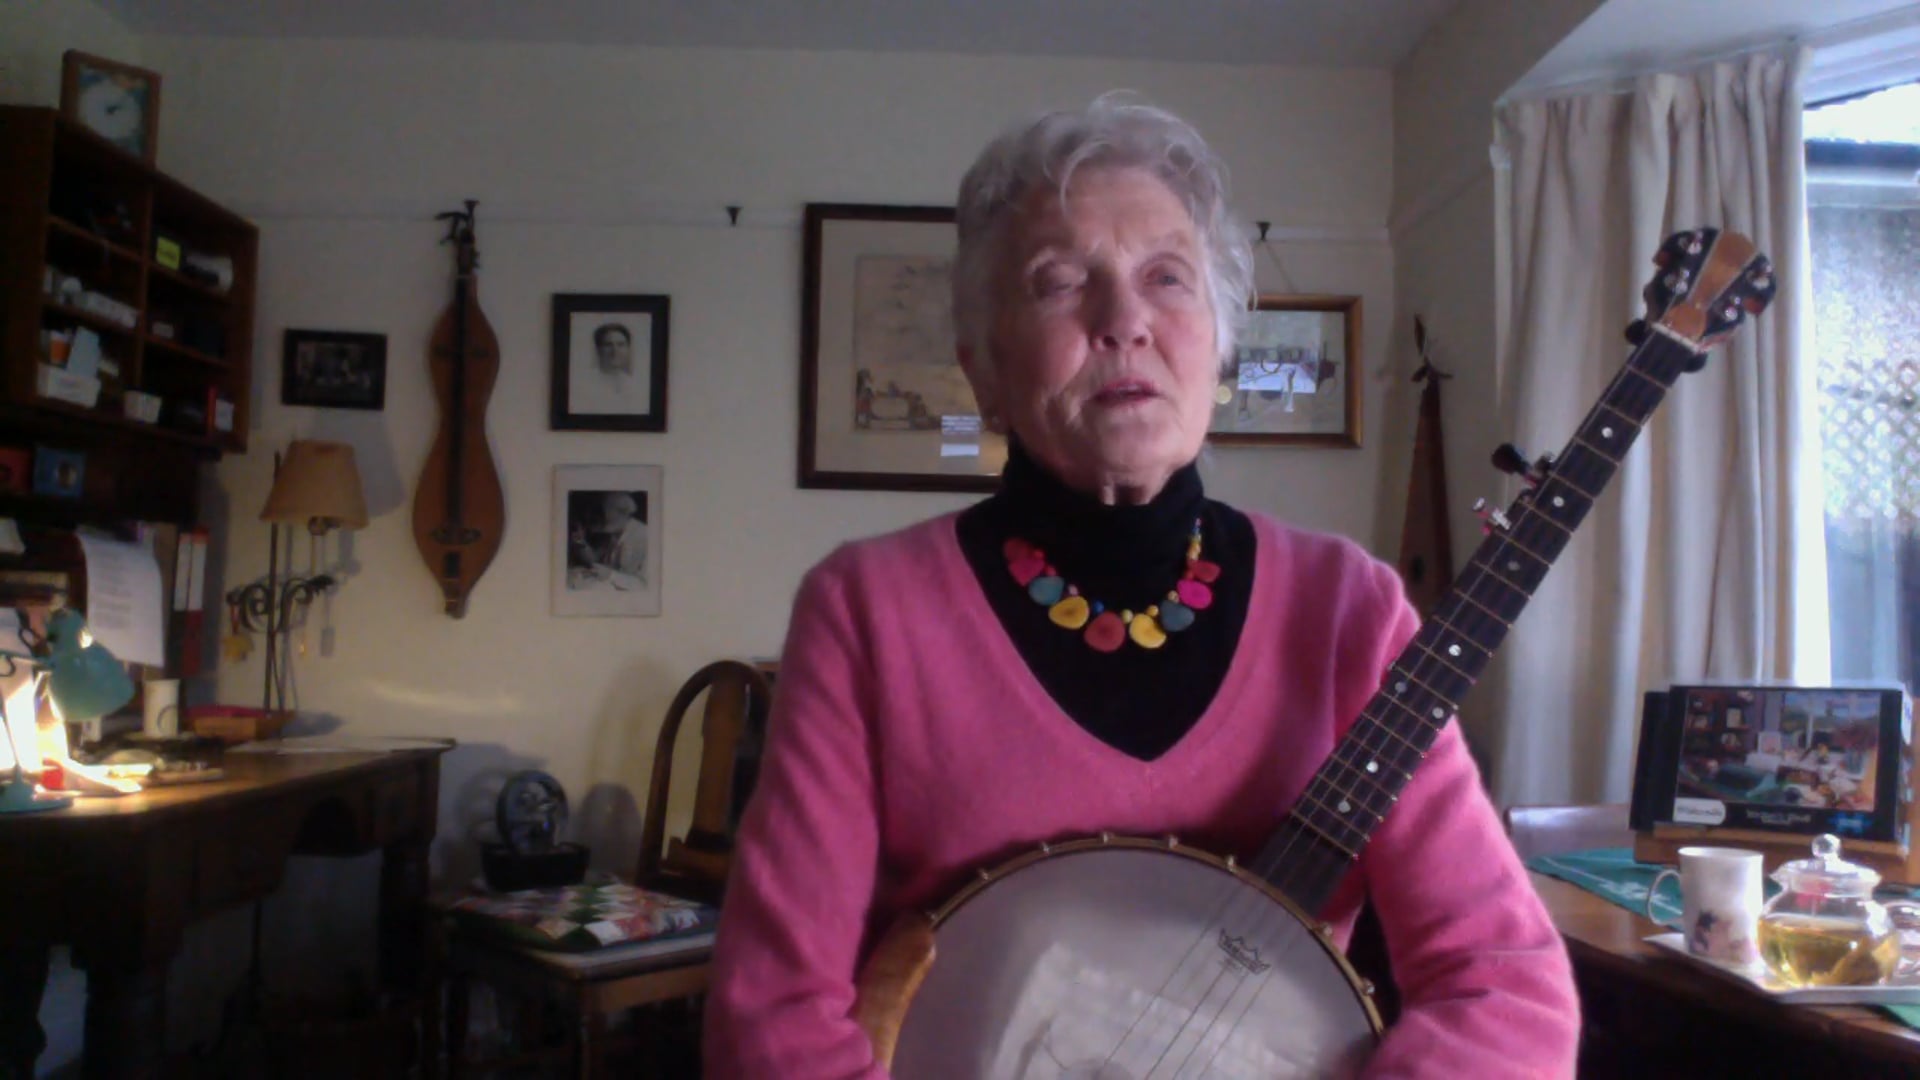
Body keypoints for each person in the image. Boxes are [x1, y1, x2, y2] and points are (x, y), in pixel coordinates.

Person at [705, 95, 1579, 1077]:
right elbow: (772, 1018)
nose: (1123, 321)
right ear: (984, 372)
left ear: (1221, 344)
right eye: (1057, 282)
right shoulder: (865, 612)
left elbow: (1504, 982)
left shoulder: (1350, 609)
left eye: (1167, 277)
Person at [567, 490, 646, 590]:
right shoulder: (613, 533)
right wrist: (580, 542)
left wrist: (611, 575)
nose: (596, 518)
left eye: (602, 512)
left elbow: (644, 586)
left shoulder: (643, 536)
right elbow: (595, 561)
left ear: (621, 513)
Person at [571, 321, 648, 414]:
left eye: (621, 345)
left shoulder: (634, 384)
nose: (615, 350)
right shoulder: (586, 384)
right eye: (608, 345)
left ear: (628, 348)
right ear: (598, 349)